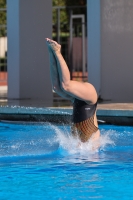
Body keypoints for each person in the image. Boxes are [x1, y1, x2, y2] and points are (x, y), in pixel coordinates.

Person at [45, 38, 100, 143]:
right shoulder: (92, 147)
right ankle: (56, 51)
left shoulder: (83, 147)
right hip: (90, 99)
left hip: (81, 102)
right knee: (66, 85)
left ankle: (51, 51)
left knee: (56, 88)